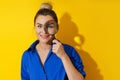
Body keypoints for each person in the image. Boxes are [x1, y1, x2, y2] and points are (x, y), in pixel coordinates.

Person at [21, 2, 86, 80]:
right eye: (39, 26)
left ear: (57, 28)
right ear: (34, 28)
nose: (44, 31)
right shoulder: (27, 55)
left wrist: (63, 56)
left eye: (50, 26)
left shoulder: (69, 51)